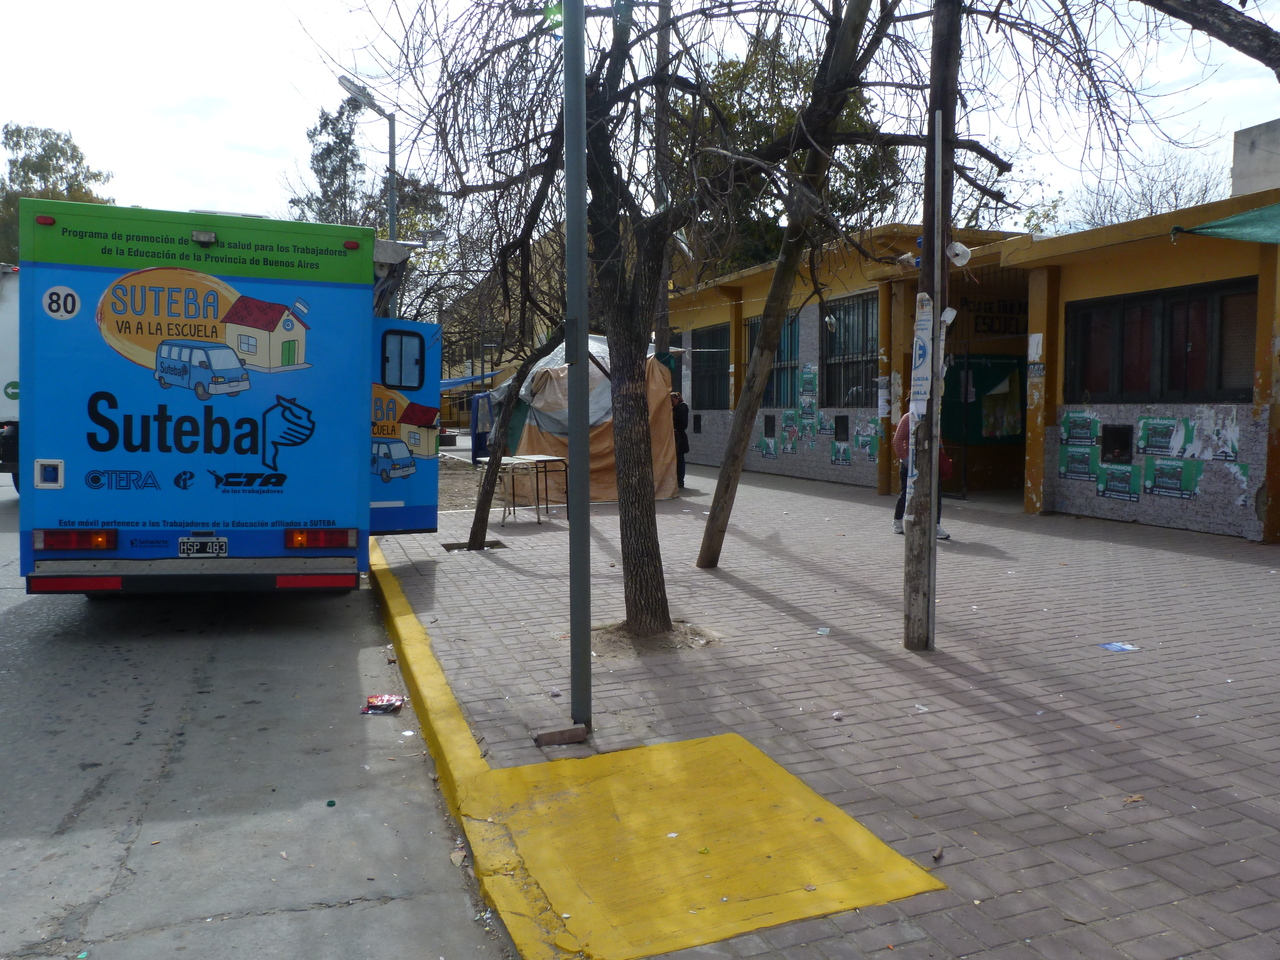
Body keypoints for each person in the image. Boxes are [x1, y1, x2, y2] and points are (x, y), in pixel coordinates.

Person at [892, 411, 948, 539]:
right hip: (911, 463)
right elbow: (897, 440)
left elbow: (938, 439)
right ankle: (897, 520)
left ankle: (935, 525)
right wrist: (906, 461)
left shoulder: (934, 416)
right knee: (907, 493)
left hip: (930, 463)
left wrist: (941, 456)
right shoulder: (908, 417)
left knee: (936, 493)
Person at [671, 391, 689, 488]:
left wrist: (676, 429)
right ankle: (678, 480)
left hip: (679, 437)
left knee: (680, 459)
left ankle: (680, 480)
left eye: (672, 401)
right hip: (676, 436)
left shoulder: (682, 407)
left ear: (677, 399)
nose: (671, 403)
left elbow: (683, 423)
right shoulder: (675, 408)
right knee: (678, 459)